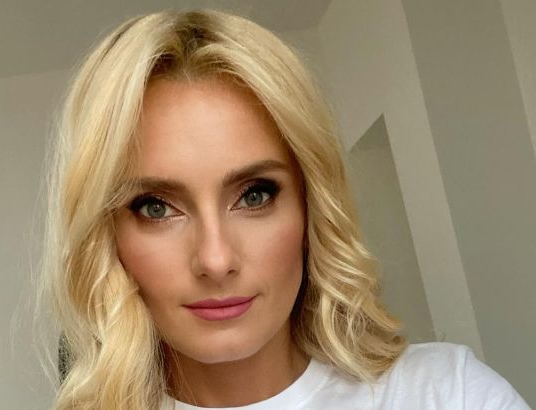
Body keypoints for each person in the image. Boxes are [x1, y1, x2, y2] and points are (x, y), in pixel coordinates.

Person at [38, 9, 530, 410]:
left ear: (312, 207)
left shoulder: (449, 394)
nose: (215, 260)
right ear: (108, 234)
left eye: (254, 195)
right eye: (156, 207)